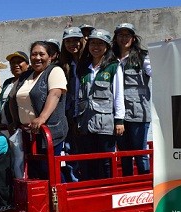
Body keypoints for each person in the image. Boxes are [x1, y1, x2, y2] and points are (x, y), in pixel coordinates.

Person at [8, 41, 68, 180]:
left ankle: (59, 199)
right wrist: (15, 121)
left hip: (49, 133)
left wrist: (42, 118)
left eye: (42, 54)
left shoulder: (54, 71)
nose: (37, 58)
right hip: (28, 134)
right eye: (34, 54)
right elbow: (12, 98)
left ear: (51, 57)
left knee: (50, 171)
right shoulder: (25, 76)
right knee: (33, 172)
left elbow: (55, 94)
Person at [76, 29, 124, 180]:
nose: (95, 47)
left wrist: (119, 120)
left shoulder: (113, 67)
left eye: (100, 43)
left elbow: (118, 95)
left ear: (107, 47)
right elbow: (79, 96)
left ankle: (107, 190)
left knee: (106, 161)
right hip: (85, 122)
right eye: (92, 43)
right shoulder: (83, 68)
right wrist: (77, 118)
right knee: (88, 160)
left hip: (106, 123)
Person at [112, 23, 152, 175]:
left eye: (127, 35)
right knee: (124, 154)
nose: (124, 38)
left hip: (138, 114)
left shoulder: (143, 57)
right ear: (116, 38)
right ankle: (127, 186)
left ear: (133, 38)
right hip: (117, 115)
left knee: (140, 153)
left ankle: (144, 184)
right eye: (120, 35)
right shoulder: (110, 58)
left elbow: (158, 70)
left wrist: (166, 50)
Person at [58, 26, 85, 182]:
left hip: (86, 114)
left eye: (76, 40)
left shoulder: (89, 61)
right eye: (68, 41)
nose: (72, 44)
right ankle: (74, 182)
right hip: (68, 114)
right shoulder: (62, 64)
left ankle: (86, 181)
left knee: (86, 150)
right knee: (70, 150)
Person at [0, 51, 30, 131]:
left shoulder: (29, 82)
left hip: (19, 128)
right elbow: (0, 103)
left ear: (27, 64)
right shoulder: (7, 82)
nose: (15, 65)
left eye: (19, 62)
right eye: (13, 62)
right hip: (3, 127)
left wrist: (16, 122)